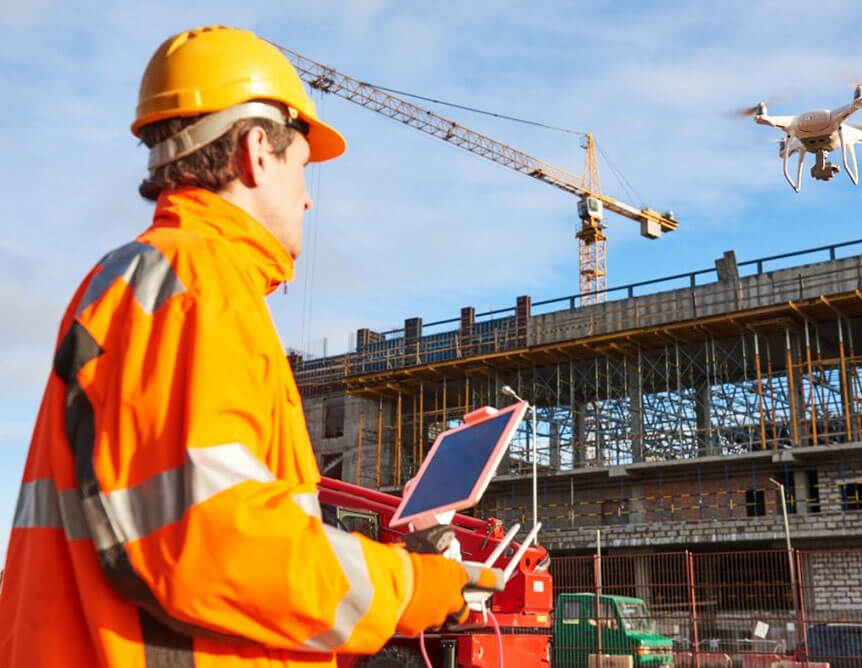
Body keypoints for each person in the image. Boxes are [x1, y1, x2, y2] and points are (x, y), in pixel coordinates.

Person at [0, 25, 493, 667]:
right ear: (258, 152)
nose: (310, 197)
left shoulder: (156, 283)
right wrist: (409, 586)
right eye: (303, 168)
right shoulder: (197, 286)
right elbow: (214, 540)